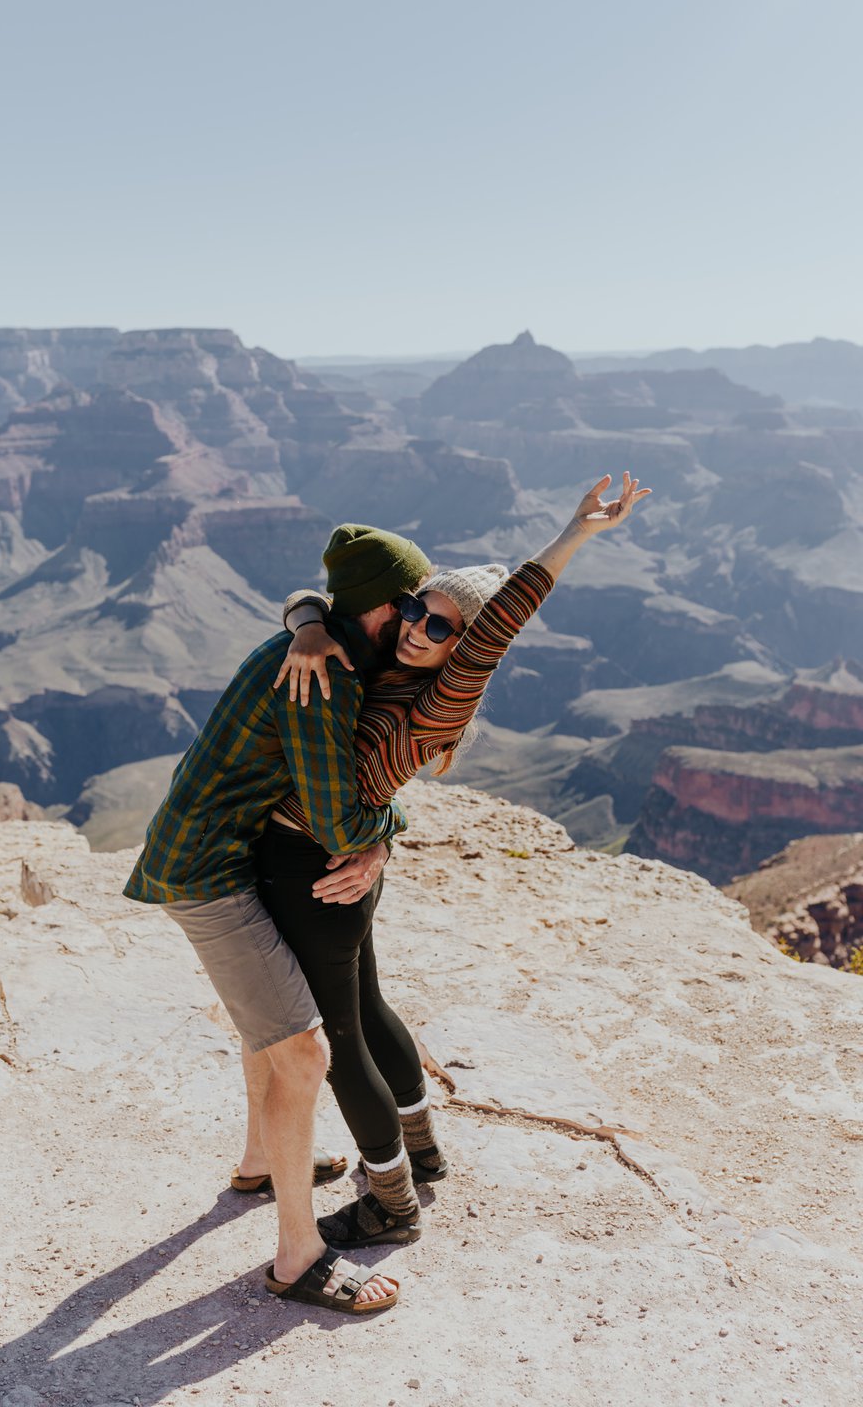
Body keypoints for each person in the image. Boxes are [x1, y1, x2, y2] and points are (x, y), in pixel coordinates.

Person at [259, 472, 651, 1249]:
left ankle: (391, 1202)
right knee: (369, 1007)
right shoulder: (392, 662)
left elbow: (501, 621)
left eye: (440, 625)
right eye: (414, 608)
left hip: (318, 873)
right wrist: (307, 623)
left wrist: (574, 532)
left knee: (338, 1042)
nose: (416, 627)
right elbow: (320, 596)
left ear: (461, 644)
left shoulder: (442, 697)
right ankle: (424, 1153)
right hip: (348, 866)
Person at [123, 523, 433, 1315]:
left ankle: (261, 1161)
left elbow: (307, 601)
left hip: (221, 854)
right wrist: (387, 835)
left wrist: (307, 618)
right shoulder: (326, 675)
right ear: (384, 609)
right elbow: (336, 821)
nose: (418, 625)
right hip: (208, 874)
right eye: (413, 608)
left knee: (271, 1017)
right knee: (303, 1052)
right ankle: (300, 1257)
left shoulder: (319, 639)